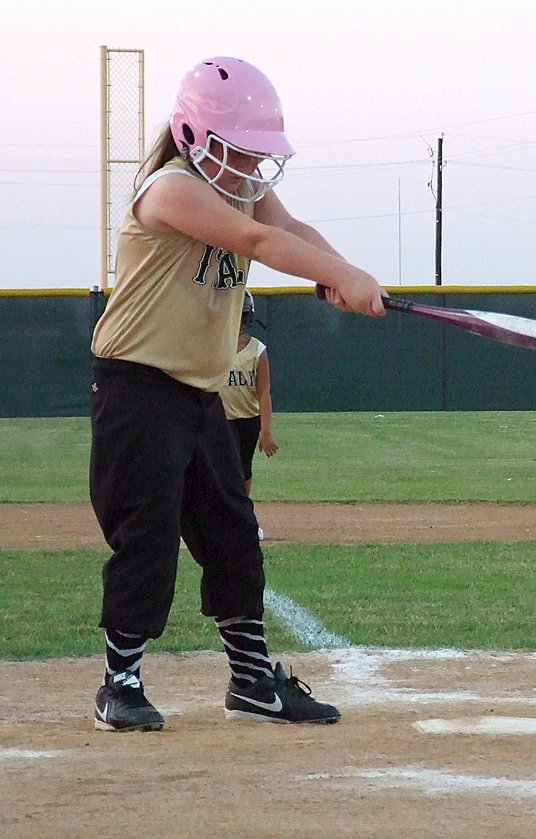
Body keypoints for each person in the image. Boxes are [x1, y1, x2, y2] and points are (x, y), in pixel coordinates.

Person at [89, 56, 385, 732]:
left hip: (199, 390)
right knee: (149, 536)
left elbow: (293, 232)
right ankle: (120, 683)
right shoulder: (169, 189)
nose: (251, 167)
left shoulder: (242, 186)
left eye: (257, 155)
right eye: (239, 150)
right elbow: (257, 240)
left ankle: (252, 680)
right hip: (137, 385)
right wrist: (339, 272)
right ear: (195, 138)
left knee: (233, 530)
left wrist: (343, 273)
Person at [220, 292, 277, 540]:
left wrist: (266, 432)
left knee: (243, 471)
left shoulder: (257, 350)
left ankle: (242, 518)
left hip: (247, 421)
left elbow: (263, 393)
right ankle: (211, 519)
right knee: (221, 471)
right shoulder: (215, 347)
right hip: (220, 420)